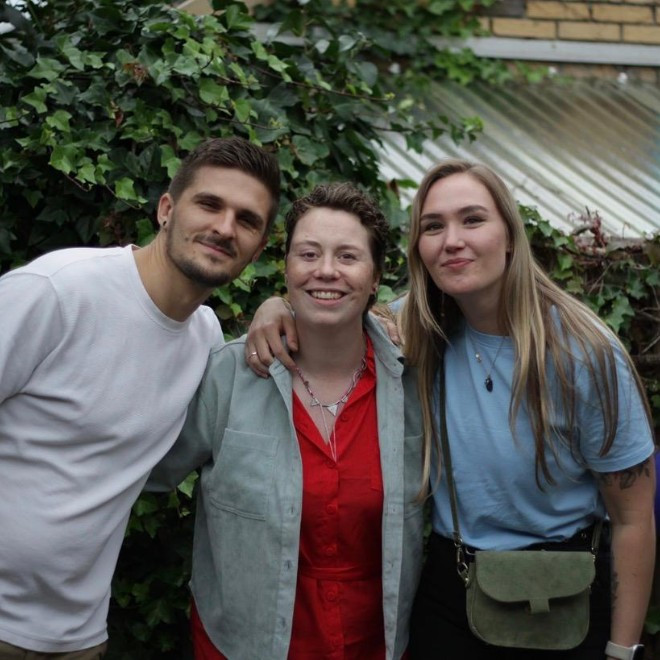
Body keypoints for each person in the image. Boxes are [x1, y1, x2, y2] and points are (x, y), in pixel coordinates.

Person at [244, 160, 656, 660]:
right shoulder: (415, 327)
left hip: (563, 598)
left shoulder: (584, 354)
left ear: (510, 236)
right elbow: (334, 304)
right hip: (452, 588)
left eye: (473, 220)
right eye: (433, 226)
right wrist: (276, 308)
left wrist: (621, 651)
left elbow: (633, 518)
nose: (452, 241)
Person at [0, 137, 280, 659]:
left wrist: (276, 306)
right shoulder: (58, 290)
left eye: (247, 220)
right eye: (209, 204)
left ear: (259, 249)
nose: (225, 228)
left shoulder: (205, 339)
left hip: (77, 637)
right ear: (166, 209)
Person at [148, 183, 424, 660]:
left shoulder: (415, 381)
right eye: (308, 254)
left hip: (375, 646)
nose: (326, 270)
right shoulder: (229, 375)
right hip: (243, 645)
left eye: (348, 257)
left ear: (376, 277)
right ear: (286, 268)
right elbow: (146, 470)